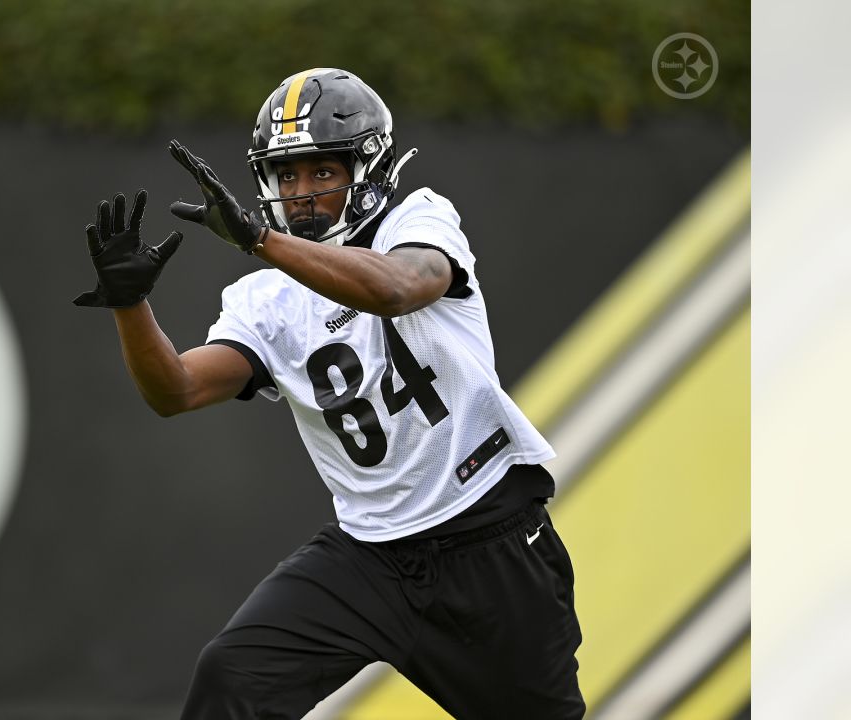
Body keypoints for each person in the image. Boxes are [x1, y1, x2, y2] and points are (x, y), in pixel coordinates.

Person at [72, 68, 584, 720]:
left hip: (488, 536)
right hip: (369, 556)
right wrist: (130, 305)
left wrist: (263, 241)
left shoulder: (418, 218)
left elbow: (396, 288)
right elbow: (175, 390)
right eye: (287, 176)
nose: (303, 192)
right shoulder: (264, 298)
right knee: (233, 677)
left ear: (367, 167)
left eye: (322, 172)